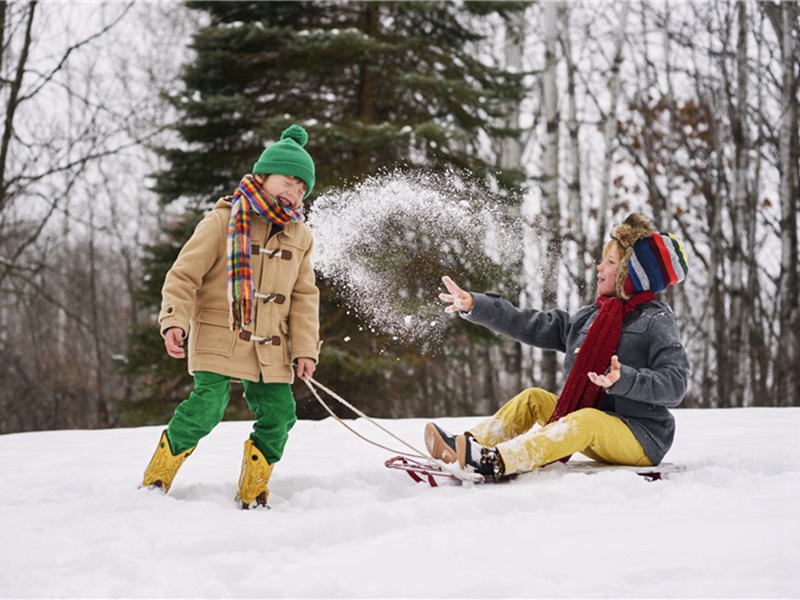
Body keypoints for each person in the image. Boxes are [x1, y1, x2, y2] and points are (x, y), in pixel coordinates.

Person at [426, 213, 690, 482]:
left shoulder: (656, 320)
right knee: (534, 399)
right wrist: (476, 305)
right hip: (594, 425)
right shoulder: (592, 317)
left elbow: (676, 384)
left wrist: (625, 379)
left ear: (632, 275)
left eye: (610, 262)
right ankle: (467, 446)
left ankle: (495, 461)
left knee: (586, 419)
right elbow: (529, 324)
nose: (599, 268)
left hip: (642, 436)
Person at [142, 124, 322, 508]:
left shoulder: (300, 235)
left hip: (270, 343)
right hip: (220, 332)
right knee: (207, 407)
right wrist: (174, 319)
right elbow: (183, 274)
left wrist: (305, 349)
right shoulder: (224, 219)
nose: (293, 192)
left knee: (280, 413)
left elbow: (305, 297)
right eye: (287, 181)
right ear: (262, 176)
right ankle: (157, 479)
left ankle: (253, 492)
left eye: (301, 187)